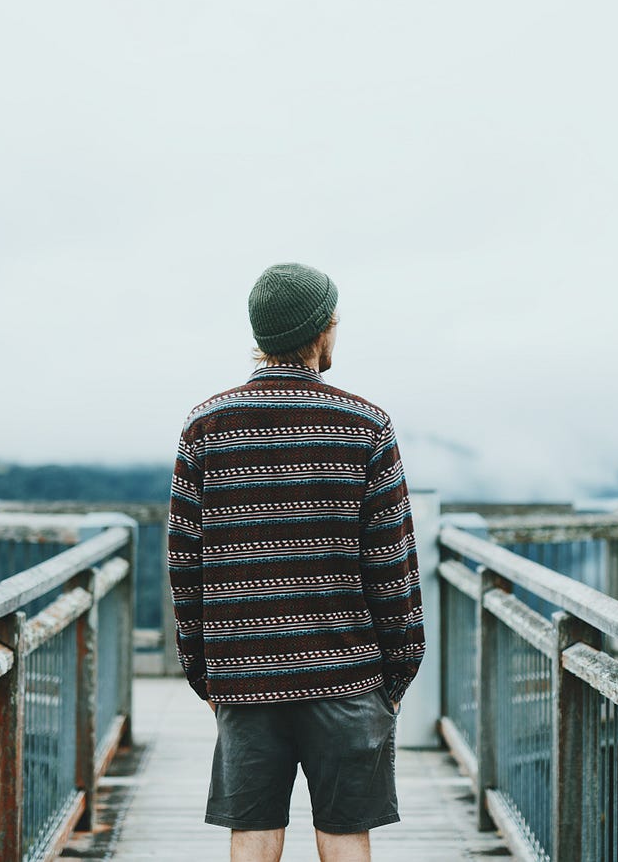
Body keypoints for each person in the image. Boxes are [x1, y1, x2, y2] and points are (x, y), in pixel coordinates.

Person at [168, 262, 425, 862]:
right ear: (322, 330)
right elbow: (392, 564)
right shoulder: (365, 425)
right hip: (345, 670)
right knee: (344, 834)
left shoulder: (207, 426)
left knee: (253, 831)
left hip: (243, 670)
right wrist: (397, 673)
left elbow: (186, 564)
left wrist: (203, 670)